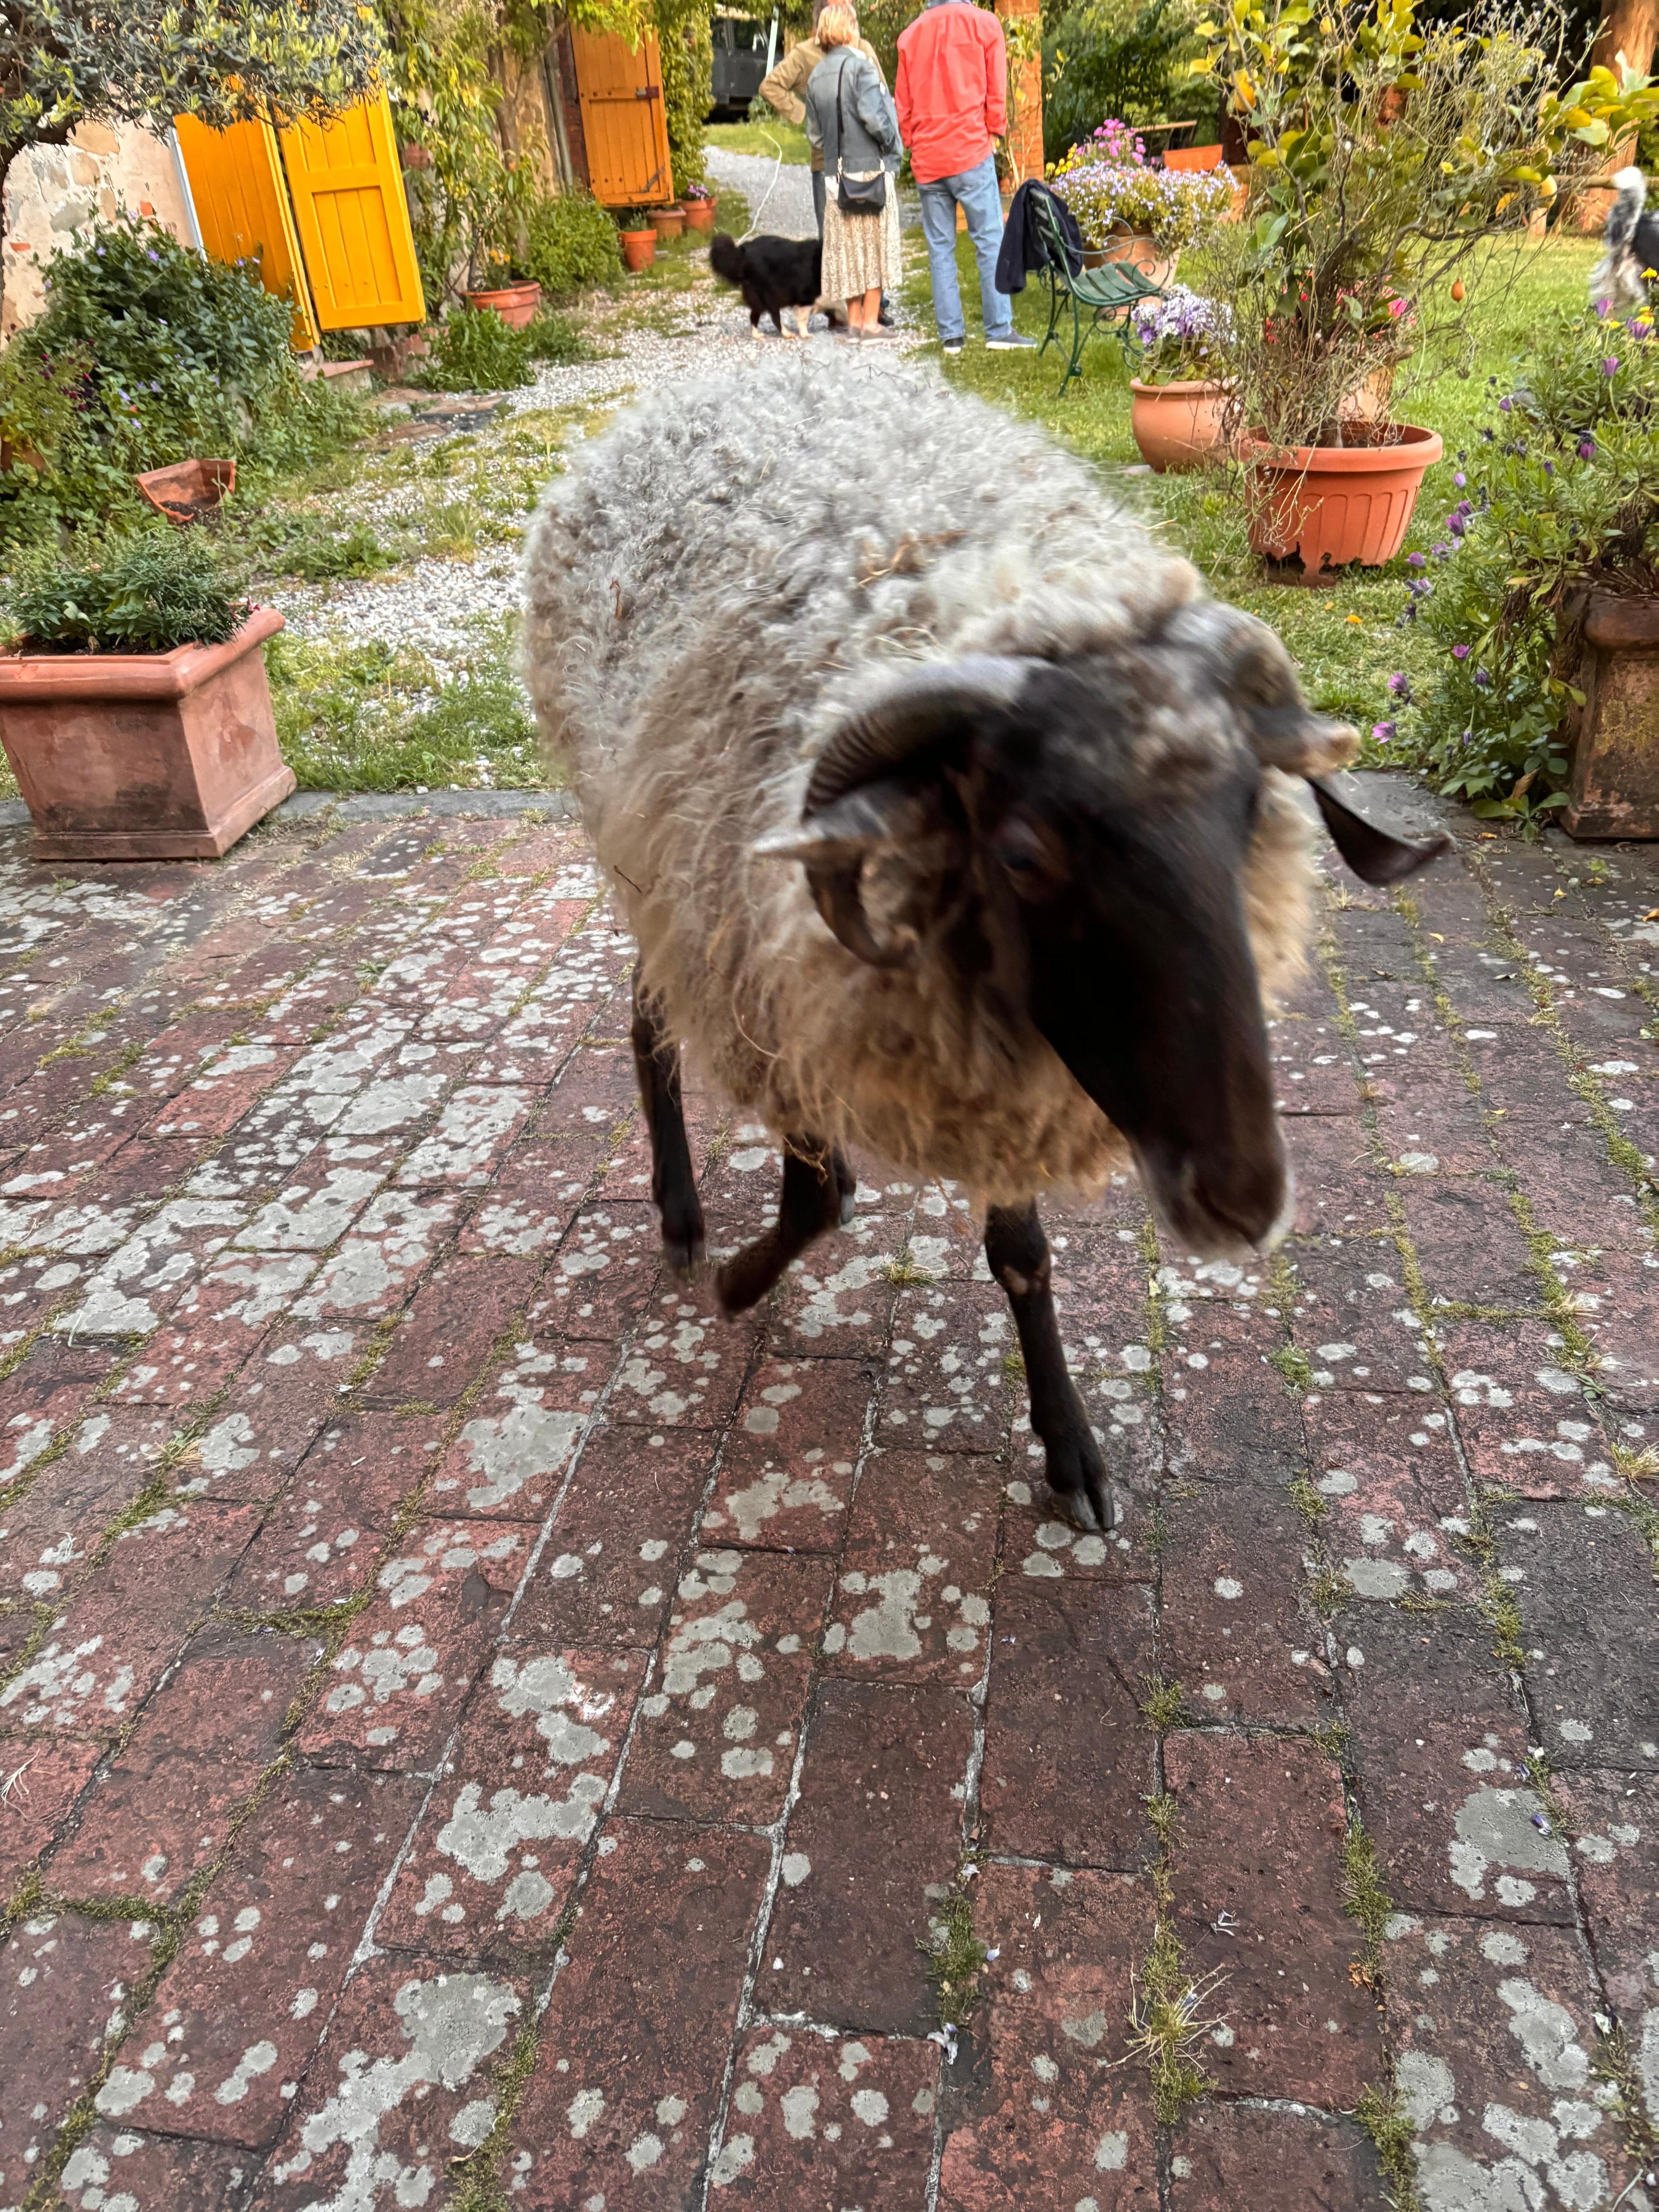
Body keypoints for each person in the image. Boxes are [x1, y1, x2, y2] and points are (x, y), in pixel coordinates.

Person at [896, 0, 1034, 354]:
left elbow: (903, 104)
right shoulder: (985, 25)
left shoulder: (910, 37)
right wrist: (994, 132)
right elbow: (996, 88)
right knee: (989, 241)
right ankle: (999, 330)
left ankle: (952, 338)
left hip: (929, 159)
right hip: (970, 150)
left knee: (940, 247)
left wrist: (914, 143)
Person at [757, 0, 894, 325]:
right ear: (823, 15)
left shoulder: (863, 48)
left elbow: (882, 94)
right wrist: (806, 116)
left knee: (870, 234)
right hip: (827, 160)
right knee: (834, 237)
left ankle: (878, 307)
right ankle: (839, 310)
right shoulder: (805, 54)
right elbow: (771, 86)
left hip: (865, 157)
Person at [803, 3, 903, 341]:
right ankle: (872, 322)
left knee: (846, 249)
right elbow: (876, 120)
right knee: (874, 246)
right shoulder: (862, 68)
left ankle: (855, 321)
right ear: (849, 29)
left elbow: (815, 135)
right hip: (869, 171)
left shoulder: (816, 76)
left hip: (835, 176)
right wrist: (891, 139)